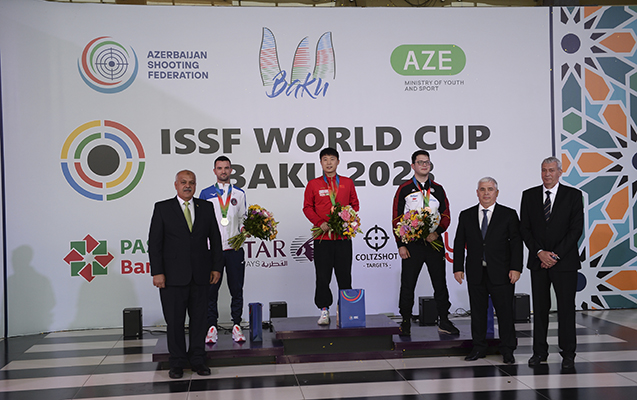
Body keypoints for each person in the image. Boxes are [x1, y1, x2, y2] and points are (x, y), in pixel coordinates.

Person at [149, 170, 223, 379]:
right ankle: (177, 362)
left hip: (201, 275)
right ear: (176, 185)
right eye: (183, 182)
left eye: (191, 182)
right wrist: (157, 272)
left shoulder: (206, 207)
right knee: (175, 322)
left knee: (199, 321)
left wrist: (216, 267)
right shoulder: (163, 208)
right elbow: (154, 244)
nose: (187, 186)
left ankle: (198, 360)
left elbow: (215, 240)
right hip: (172, 277)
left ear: (196, 185)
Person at [520, 156, 584, 370]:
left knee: (566, 308)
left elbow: (576, 229)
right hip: (538, 262)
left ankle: (568, 354)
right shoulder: (529, 195)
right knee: (539, 309)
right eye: (544, 170)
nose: (547, 174)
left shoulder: (573, 195)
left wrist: (554, 256)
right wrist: (540, 253)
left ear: (560, 172)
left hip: (564, 263)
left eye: (551, 170)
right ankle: (539, 352)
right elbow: (524, 229)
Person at [453, 177, 522, 364]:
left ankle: (508, 349)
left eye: (490, 189)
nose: (486, 193)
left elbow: (516, 244)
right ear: (477, 193)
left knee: (505, 313)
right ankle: (479, 347)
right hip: (476, 272)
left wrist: (516, 268)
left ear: (496, 193)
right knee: (477, 312)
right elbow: (459, 243)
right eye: (482, 189)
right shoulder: (466, 215)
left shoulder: (508, 214)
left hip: (502, 272)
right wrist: (458, 267)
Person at [392, 150, 459, 336]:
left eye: (427, 162)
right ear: (413, 166)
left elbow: (446, 215)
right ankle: (405, 321)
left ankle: (444, 320)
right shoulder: (404, 189)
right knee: (408, 284)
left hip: (434, 243)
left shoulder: (438, 189)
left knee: (440, 283)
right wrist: (401, 244)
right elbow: (396, 218)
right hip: (412, 244)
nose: (424, 165)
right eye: (420, 162)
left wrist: (437, 232)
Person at [303, 147, 360, 325]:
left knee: (345, 276)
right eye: (325, 159)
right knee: (323, 277)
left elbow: (355, 205)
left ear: (338, 162)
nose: (329, 163)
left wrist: (346, 219)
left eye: (332, 159)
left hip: (343, 238)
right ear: (321, 163)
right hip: (322, 239)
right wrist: (319, 222)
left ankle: (345, 310)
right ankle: (324, 310)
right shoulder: (313, 184)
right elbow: (307, 207)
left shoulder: (347, 182)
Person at [199, 156, 248, 343]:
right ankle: (211, 327)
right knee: (211, 291)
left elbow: (244, 218)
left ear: (231, 170)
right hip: (213, 251)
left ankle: (237, 325)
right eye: (219, 168)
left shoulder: (239, 193)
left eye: (226, 168)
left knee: (237, 289)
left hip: (234, 249)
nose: (223, 171)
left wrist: (244, 231)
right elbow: (201, 221)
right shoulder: (205, 193)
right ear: (214, 171)